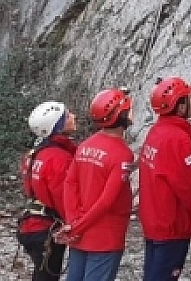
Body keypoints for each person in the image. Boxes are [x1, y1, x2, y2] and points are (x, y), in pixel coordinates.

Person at [61, 88, 135, 281]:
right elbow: (106, 202)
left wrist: (73, 224)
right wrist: (77, 228)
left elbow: (70, 184)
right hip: (105, 237)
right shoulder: (122, 154)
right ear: (121, 115)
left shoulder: (85, 145)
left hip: (79, 234)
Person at [139, 77, 191, 281]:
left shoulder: (156, 132)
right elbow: (189, 187)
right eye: (188, 99)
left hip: (154, 222)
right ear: (181, 106)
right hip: (171, 226)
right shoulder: (178, 139)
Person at [18, 102, 79, 281]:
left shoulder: (36, 152)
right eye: (67, 116)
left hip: (32, 224)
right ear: (57, 126)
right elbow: (64, 198)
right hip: (46, 229)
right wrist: (76, 226)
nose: (73, 116)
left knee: (42, 274)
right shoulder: (59, 158)